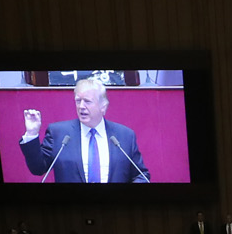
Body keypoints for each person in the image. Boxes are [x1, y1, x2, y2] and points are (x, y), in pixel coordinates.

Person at [18, 78, 146, 183]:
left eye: (88, 102)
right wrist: (32, 133)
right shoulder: (59, 133)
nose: (81, 106)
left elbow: (141, 175)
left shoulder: (125, 136)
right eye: (78, 101)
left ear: (103, 106)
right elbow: (38, 168)